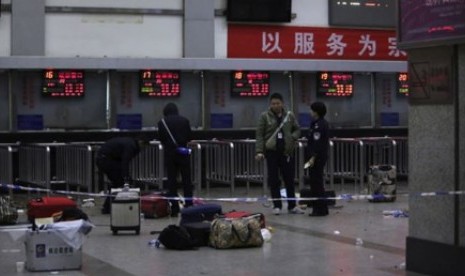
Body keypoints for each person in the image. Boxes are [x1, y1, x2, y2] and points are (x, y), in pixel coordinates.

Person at [255, 93, 304, 215]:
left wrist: (292, 137)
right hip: (272, 153)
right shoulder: (264, 116)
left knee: (289, 179)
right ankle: (277, 205)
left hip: (286, 152)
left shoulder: (289, 115)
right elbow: (260, 135)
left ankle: (292, 206)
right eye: (273, 104)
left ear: (282, 103)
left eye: (277, 103)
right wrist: (259, 151)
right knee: (274, 180)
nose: (275, 106)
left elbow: (297, 129)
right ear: (270, 104)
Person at [96, 136, 150, 214]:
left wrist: (126, 176)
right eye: (144, 147)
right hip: (105, 160)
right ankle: (107, 207)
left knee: (117, 182)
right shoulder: (131, 146)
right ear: (141, 142)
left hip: (105, 158)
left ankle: (109, 206)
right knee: (118, 182)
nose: (143, 149)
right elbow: (125, 161)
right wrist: (126, 177)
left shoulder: (131, 143)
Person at [157, 103, 193, 217]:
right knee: (187, 179)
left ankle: (174, 208)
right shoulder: (185, 121)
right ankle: (189, 205)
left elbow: (161, 138)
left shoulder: (162, 123)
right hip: (183, 153)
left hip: (170, 155)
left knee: (172, 181)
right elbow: (189, 137)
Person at [305, 102, 329, 216]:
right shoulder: (315, 124)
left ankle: (320, 209)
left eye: (311, 110)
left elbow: (317, 142)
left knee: (316, 183)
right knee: (315, 182)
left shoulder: (319, 125)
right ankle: (320, 207)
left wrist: (313, 157)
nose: (310, 112)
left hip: (317, 158)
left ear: (316, 112)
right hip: (316, 156)